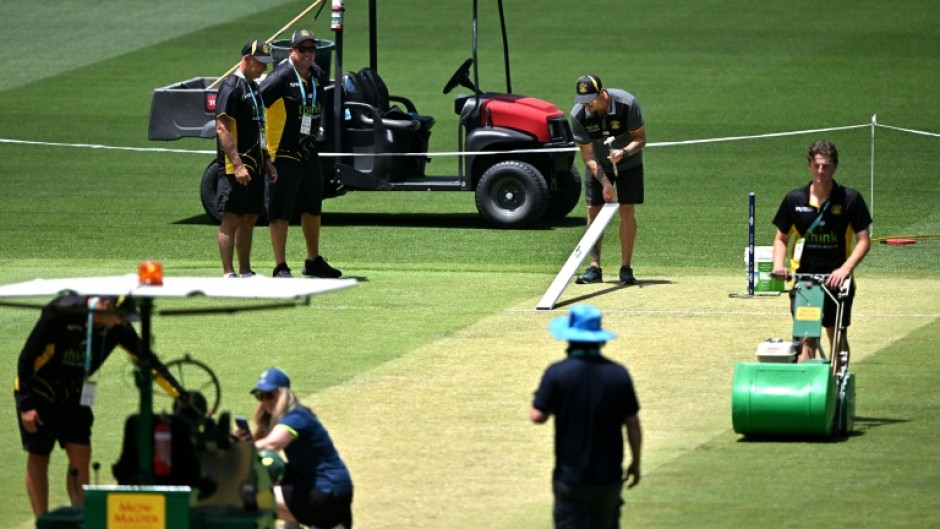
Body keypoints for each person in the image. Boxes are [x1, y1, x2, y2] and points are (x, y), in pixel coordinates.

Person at [13, 295, 180, 517]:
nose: (123, 322)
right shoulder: (60, 312)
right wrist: (26, 406)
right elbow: (26, 358)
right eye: (122, 316)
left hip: (75, 391)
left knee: (81, 454)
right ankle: (42, 521)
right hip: (39, 389)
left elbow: (148, 361)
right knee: (39, 455)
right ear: (106, 305)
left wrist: (182, 395)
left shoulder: (117, 327)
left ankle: (81, 518)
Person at [531, 304, 642, 529]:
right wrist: (636, 462)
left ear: (569, 338)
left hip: (570, 476)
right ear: (600, 340)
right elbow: (632, 423)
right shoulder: (618, 374)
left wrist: (548, 400)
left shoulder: (557, 373)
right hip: (608, 476)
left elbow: (537, 416)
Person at [771, 140, 872, 362]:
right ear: (809, 165)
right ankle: (807, 381)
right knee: (805, 337)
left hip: (838, 281)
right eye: (816, 165)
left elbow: (864, 241)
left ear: (835, 166)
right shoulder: (794, 199)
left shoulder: (850, 199)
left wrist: (845, 269)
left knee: (836, 335)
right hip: (804, 281)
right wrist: (779, 266)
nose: (820, 171)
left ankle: (837, 378)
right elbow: (781, 238)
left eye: (825, 166)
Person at [259, 29, 342, 279]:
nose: (308, 54)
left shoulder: (317, 74)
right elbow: (255, 106)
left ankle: (313, 260)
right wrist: (263, 150)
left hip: (308, 151)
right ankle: (280, 266)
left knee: (313, 207)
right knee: (280, 210)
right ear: (291, 51)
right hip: (283, 155)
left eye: (312, 49)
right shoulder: (280, 77)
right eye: (302, 49)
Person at [236, 367, 353, 528]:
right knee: (270, 470)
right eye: (260, 396)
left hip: (329, 492)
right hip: (323, 488)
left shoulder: (296, 417)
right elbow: (257, 447)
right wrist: (241, 442)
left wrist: (237, 452)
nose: (265, 401)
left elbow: (271, 444)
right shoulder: (280, 418)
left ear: (284, 394)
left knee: (253, 496)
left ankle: (328, 522)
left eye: (269, 395)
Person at [570, 75, 647, 286]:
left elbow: (641, 139)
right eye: (583, 101)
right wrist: (605, 182)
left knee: (627, 210)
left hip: (629, 162)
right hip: (598, 165)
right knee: (593, 211)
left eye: (590, 100)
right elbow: (587, 155)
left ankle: (626, 268)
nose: (586, 105)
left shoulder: (627, 104)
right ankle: (595, 267)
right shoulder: (579, 115)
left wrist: (624, 152)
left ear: (602, 93)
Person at [216, 39, 277, 278]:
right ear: (246, 59)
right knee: (232, 218)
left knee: (250, 217)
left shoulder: (253, 87)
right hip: (236, 167)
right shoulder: (231, 87)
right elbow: (222, 128)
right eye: (260, 63)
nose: (264, 68)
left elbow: (259, 127)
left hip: (255, 164)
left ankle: (245, 271)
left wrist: (267, 160)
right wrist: (238, 164)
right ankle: (228, 273)